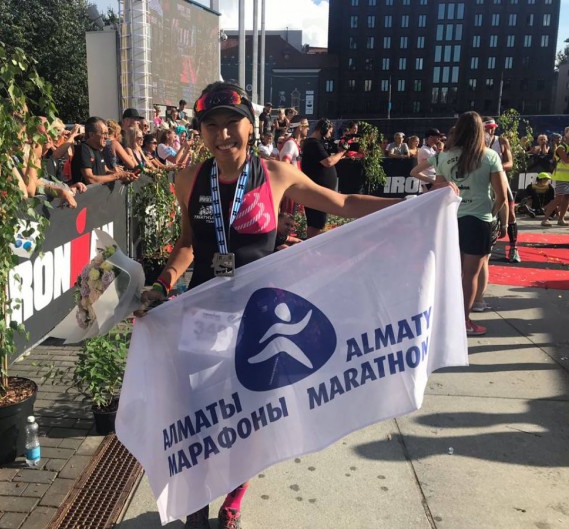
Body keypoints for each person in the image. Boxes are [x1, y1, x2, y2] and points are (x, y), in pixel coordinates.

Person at [138, 81, 407, 529]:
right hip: (204, 317)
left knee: (252, 419)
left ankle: (233, 502)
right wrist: (162, 285)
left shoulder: (276, 174)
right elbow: (186, 245)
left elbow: (342, 202)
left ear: (250, 125)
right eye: (211, 125)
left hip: (262, 321)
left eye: (232, 123)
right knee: (199, 415)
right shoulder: (188, 180)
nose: (222, 134)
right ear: (200, 131)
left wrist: (415, 203)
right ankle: (196, 503)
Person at [411, 111, 507, 337]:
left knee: (448, 272)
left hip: (450, 219)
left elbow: (426, 180)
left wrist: (441, 183)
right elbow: (502, 196)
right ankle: (463, 321)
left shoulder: (443, 156)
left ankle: (441, 318)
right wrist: (492, 215)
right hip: (478, 220)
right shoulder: (490, 156)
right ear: (479, 131)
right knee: (470, 275)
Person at [300, 118, 348, 238]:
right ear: (323, 129)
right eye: (330, 132)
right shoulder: (313, 144)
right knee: (316, 223)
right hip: (317, 191)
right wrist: (341, 153)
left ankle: (312, 245)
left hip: (320, 191)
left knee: (318, 222)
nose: (330, 135)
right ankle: (311, 246)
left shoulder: (316, 143)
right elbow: (328, 162)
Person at [483, 117, 518, 262]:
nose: (491, 130)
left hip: (499, 178)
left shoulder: (501, 141)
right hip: (482, 179)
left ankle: (513, 248)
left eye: (493, 128)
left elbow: (510, 163)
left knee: (510, 211)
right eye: (488, 128)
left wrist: (495, 168)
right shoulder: (476, 141)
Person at [70, 117, 135, 186]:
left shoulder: (98, 149)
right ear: (91, 135)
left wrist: (124, 175)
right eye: (104, 133)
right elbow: (90, 179)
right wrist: (117, 176)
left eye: (107, 133)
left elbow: (106, 171)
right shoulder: (83, 149)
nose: (107, 137)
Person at [541, 126, 569, 227]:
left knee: (567, 198)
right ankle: (545, 219)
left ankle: (561, 219)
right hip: (562, 177)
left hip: (567, 177)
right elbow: (566, 160)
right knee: (558, 199)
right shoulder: (561, 147)